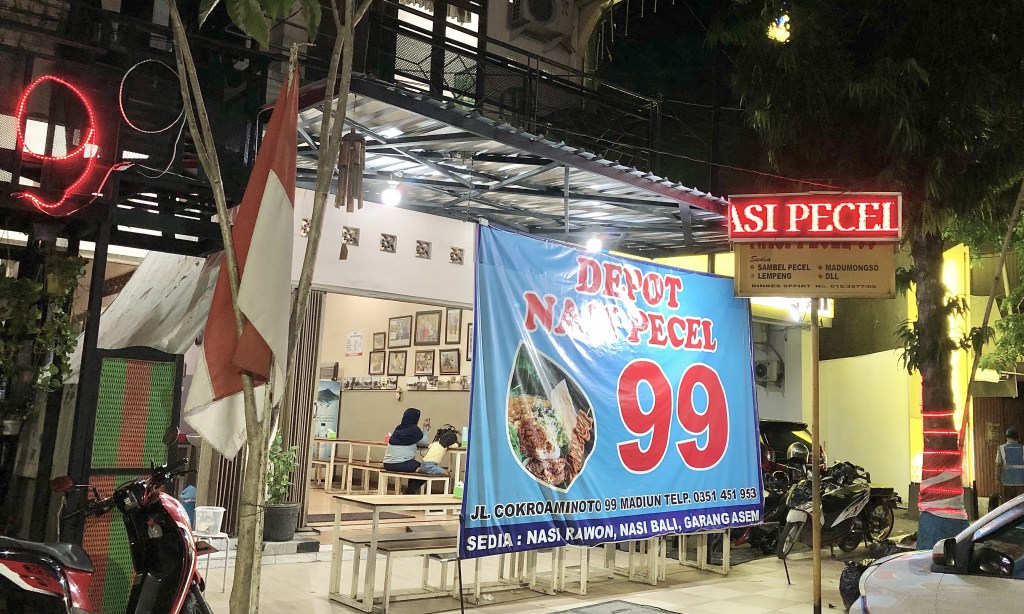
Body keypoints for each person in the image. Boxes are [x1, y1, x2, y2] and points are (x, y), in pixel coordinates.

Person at [383, 408, 430, 494]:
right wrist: (425, 428)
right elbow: (423, 442)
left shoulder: (398, 428)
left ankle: (409, 493)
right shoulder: (414, 430)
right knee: (426, 469)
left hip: (387, 464)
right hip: (401, 463)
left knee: (415, 467)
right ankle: (408, 493)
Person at [996, 427, 1024, 502]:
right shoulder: (1023, 448)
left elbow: (999, 465)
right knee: (1020, 503)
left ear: (1006, 437)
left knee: (1008, 503)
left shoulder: (1001, 448)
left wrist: (998, 479)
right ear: (1017, 437)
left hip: (1006, 481)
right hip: (1021, 481)